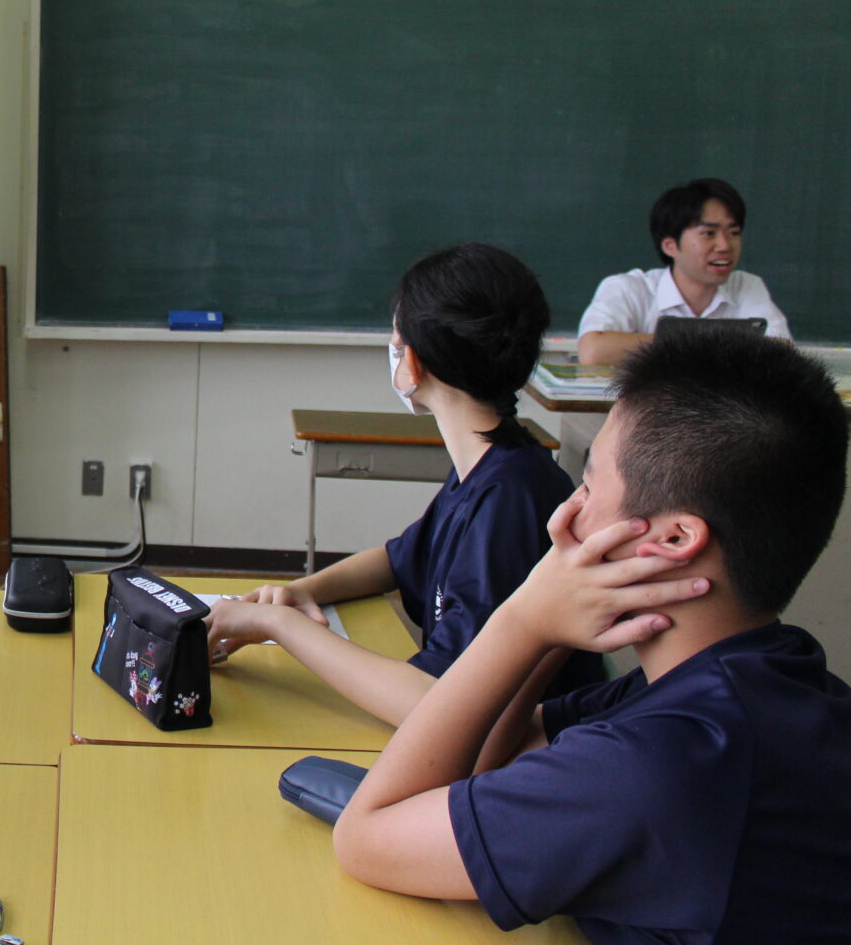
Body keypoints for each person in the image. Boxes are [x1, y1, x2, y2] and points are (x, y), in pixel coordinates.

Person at [333, 333, 851, 942]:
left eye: (587, 484)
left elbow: (367, 838)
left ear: (675, 540)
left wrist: (522, 617)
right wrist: (549, 632)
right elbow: (487, 763)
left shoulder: (656, 765)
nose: (563, 517)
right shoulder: (755, 677)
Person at [206, 243, 604, 726]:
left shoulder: (510, 498)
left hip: (525, 765)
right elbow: (396, 560)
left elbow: (437, 707)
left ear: (412, 365)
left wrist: (278, 624)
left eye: (396, 339)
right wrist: (302, 591)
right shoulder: (494, 465)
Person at [578, 177, 790, 366]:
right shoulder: (629, 288)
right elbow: (593, 351)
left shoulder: (746, 286)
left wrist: (674, 343)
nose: (725, 245)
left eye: (734, 233)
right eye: (709, 233)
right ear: (670, 245)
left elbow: (781, 351)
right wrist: (712, 342)